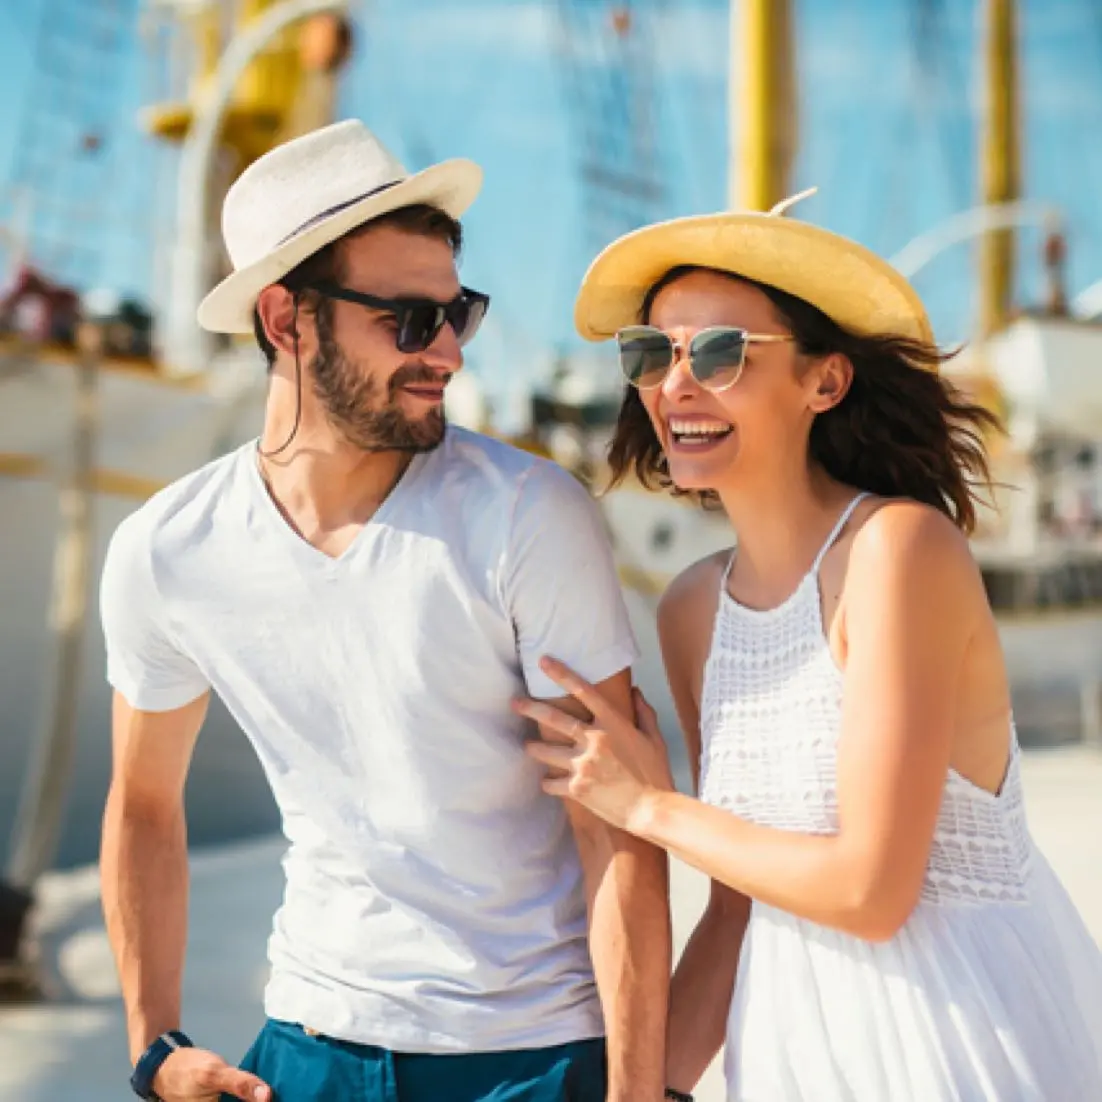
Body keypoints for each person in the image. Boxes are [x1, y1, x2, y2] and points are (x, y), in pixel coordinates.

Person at [98, 119, 671, 1102]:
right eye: (409, 320)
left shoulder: (529, 516)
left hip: (530, 1056)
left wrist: (634, 1088)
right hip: (302, 1052)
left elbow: (614, 829)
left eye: (460, 314)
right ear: (286, 320)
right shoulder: (168, 549)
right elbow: (144, 802)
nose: (447, 352)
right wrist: (155, 1049)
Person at [513, 195, 1102, 1101]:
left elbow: (872, 891)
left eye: (717, 353)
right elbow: (739, 907)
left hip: (956, 1040)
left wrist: (649, 807)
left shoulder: (899, 552)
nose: (674, 388)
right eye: (649, 355)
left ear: (824, 383)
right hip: (787, 1049)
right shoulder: (690, 610)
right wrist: (649, 1091)